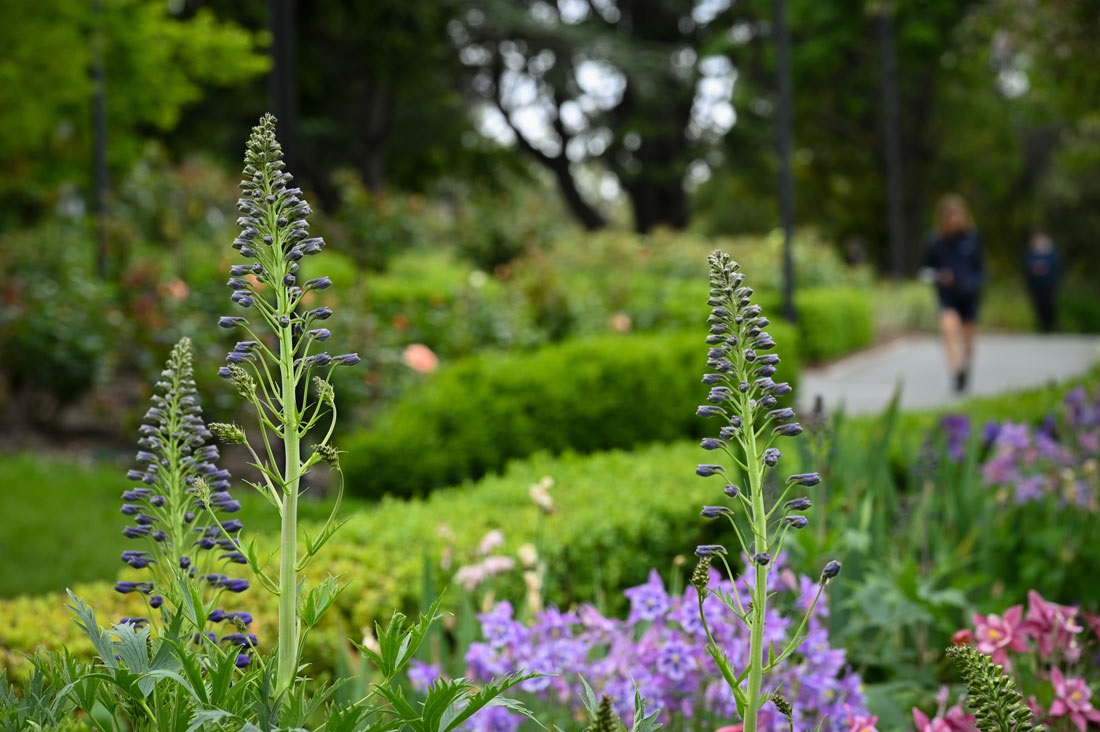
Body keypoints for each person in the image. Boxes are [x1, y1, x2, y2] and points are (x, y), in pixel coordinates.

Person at [923, 194, 985, 393]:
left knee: (967, 340)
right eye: (949, 216)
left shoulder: (972, 239)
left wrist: (973, 284)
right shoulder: (935, 241)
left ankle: (965, 367)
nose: (953, 220)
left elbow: (980, 269)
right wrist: (940, 276)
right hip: (947, 294)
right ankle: (955, 370)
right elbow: (925, 269)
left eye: (957, 215)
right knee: (948, 331)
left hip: (969, 295)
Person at [1023, 231, 1060, 333]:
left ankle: (1050, 325)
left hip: (1049, 284)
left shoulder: (1052, 253)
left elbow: (1057, 269)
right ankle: (1041, 326)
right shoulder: (1031, 253)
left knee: (1049, 305)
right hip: (1036, 284)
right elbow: (1026, 268)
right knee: (1037, 305)